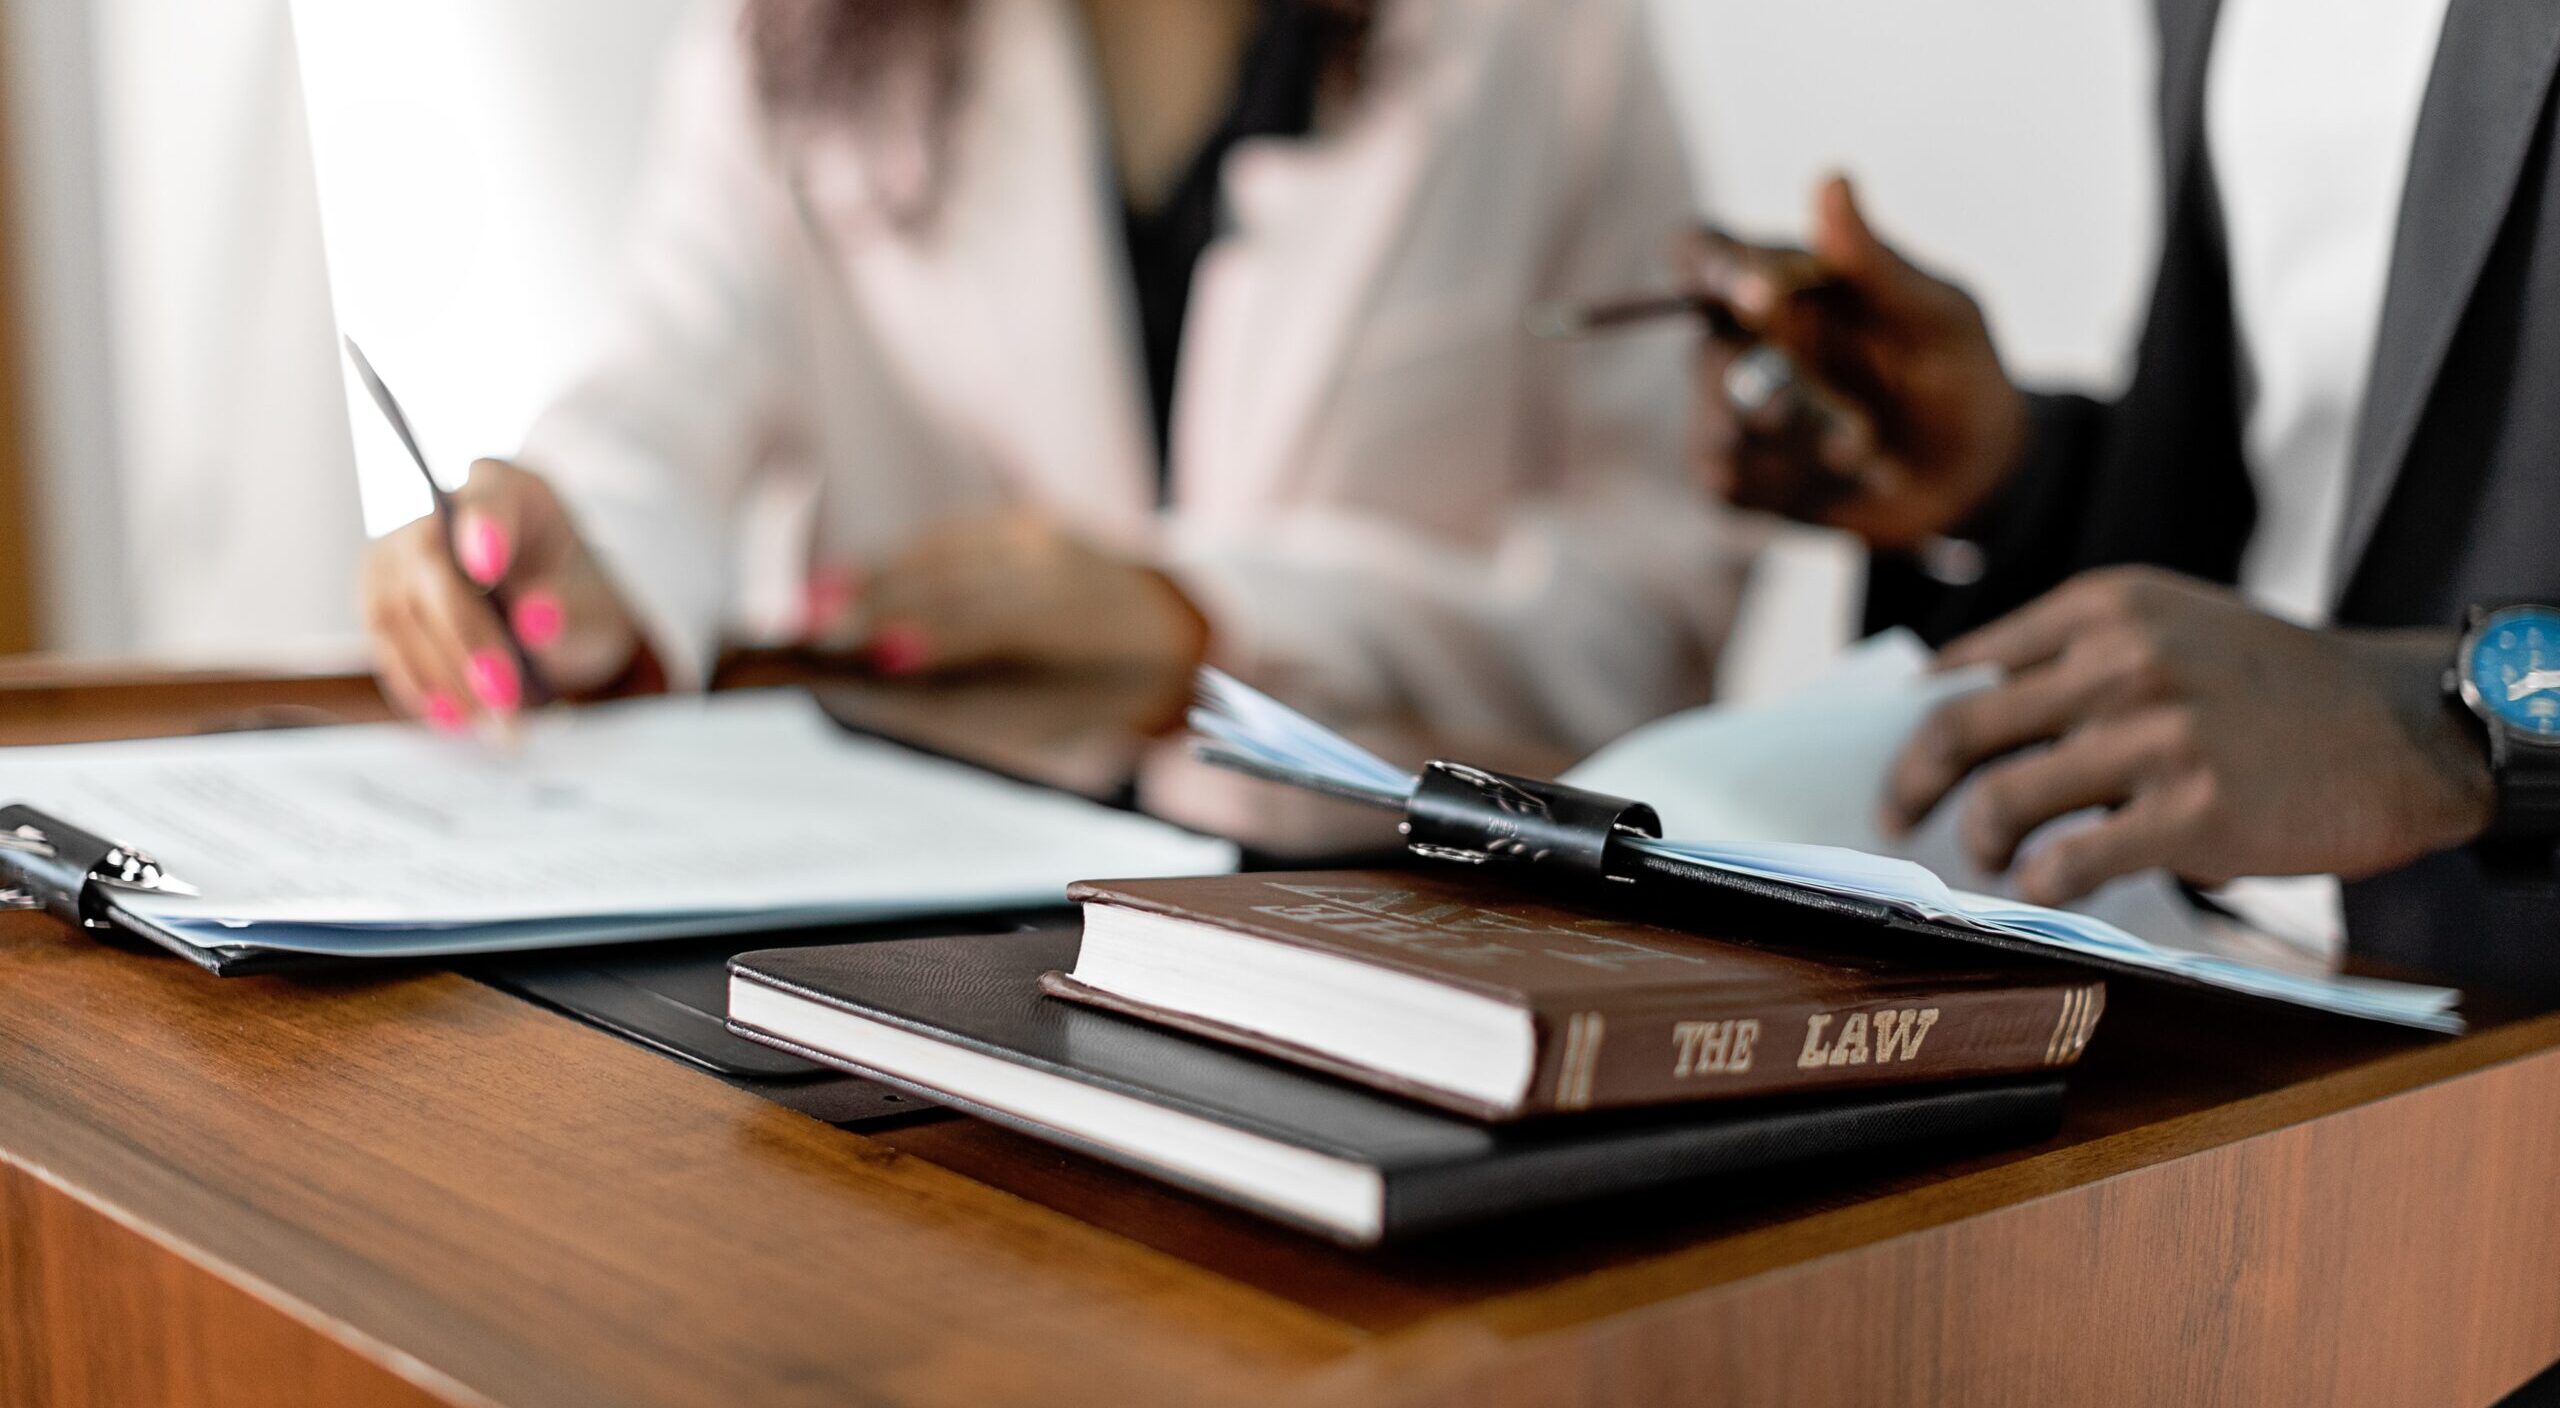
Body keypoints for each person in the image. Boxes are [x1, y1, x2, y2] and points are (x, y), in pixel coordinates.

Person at [360, 0, 1748, 754]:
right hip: (924, 934)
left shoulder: (1549, 42)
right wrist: (584, 554)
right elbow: (665, 389)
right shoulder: (784, 44)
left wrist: (1214, 626)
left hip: (1385, 940)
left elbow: (1654, 610)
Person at [1682, 0, 2560, 999]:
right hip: (2233, 978)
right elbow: (2298, 508)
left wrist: (2454, 728)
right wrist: (2012, 487)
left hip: (2511, 1060)